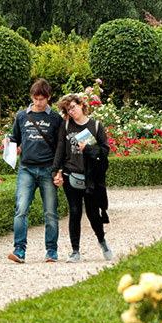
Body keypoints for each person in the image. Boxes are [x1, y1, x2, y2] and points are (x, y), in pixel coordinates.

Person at [51, 94, 113, 263]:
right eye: (67, 109)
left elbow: (105, 150)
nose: (71, 112)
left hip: (91, 176)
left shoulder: (96, 126)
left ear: (80, 104)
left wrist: (88, 149)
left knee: (93, 213)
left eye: (72, 107)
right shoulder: (66, 125)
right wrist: (56, 171)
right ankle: (75, 250)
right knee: (75, 211)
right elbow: (60, 150)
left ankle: (102, 241)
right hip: (71, 174)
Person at [7, 79, 63, 263]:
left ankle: (51, 250)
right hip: (26, 169)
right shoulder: (22, 116)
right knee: (21, 209)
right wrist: (8, 143)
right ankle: (19, 250)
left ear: (48, 97)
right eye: (35, 98)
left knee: (50, 213)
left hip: (48, 169)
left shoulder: (55, 118)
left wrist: (58, 171)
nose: (38, 102)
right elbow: (15, 138)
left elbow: (60, 147)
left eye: (41, 99)